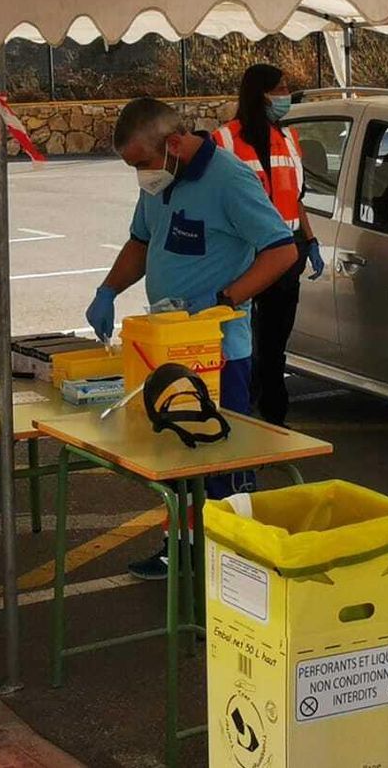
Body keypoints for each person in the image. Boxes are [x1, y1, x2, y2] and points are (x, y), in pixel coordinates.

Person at [87, 97, 297, 580]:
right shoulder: (160, 182)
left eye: (141, 162)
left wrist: (224, 297)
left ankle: (237, 564)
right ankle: (179, 548)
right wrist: (108, 289)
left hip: (221, 353)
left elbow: (281, 252)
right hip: (172, 347)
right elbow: (142, 242)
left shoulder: (229, 180)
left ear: (174, 143)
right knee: (179, 454)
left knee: (224, 461)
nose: (140, 174)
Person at [212, 64, 326, 427]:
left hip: (286, 252)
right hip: (242, 253)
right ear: (261, 93)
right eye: (281, 88)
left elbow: (298, 197)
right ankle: (238, 412)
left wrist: (310, 239)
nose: (285, 95)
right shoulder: (224, 140)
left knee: (274, 345)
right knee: (238, 343)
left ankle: (275, 418)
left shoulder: (290, 140)